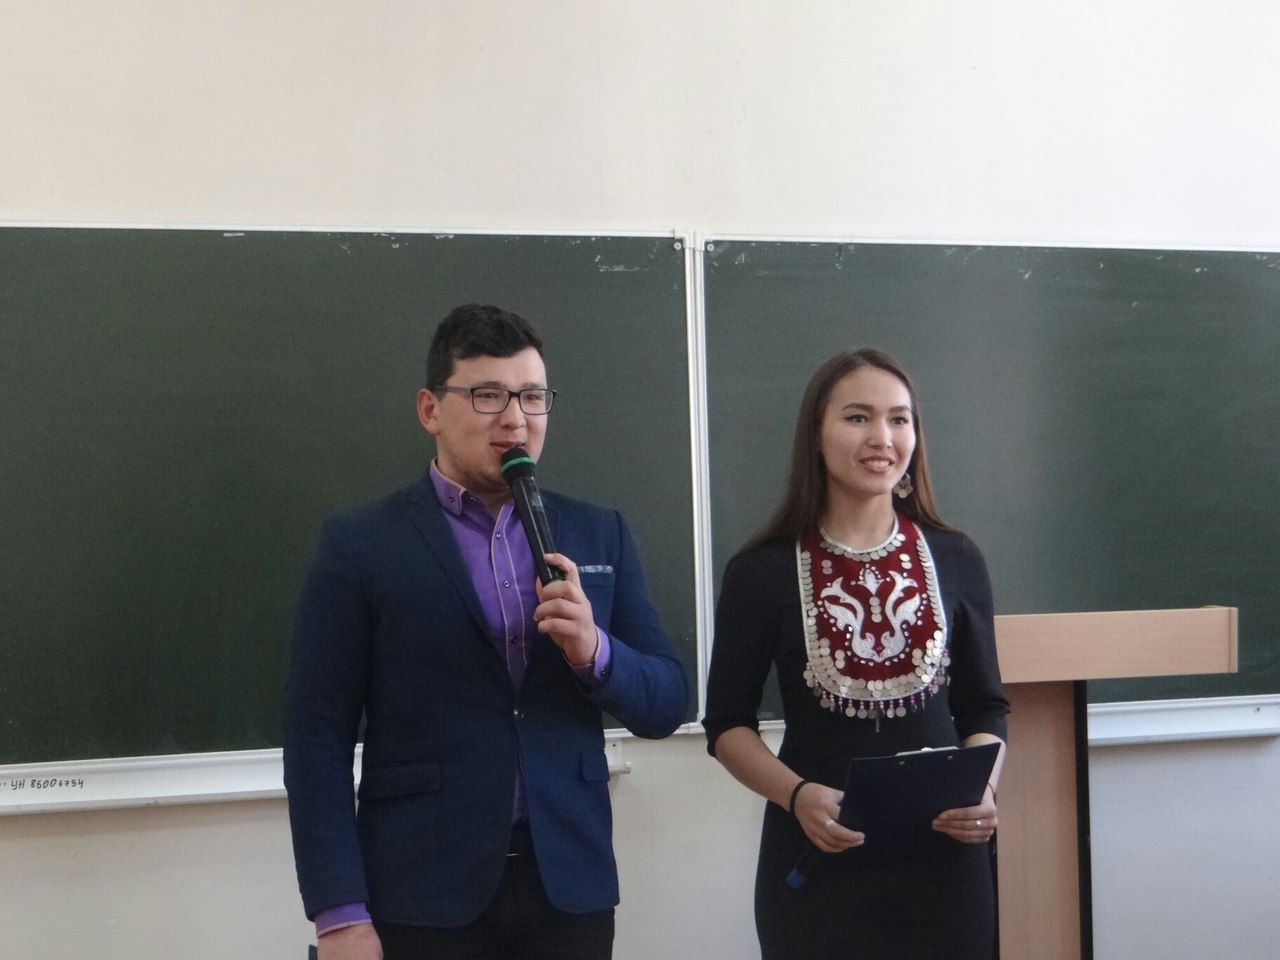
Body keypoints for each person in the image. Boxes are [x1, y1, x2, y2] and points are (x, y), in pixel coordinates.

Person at [284, 303, 689, 960]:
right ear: (430, 410)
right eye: (488, 396)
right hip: (421, 894)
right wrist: (339, 915)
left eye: (532, 397)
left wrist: (595, 652)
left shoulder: (598, 532)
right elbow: (316, 740)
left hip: (569, 889)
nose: (515, 419)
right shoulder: (359, 544)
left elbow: (667, 702)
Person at [702, 348, 1009, 960]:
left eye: (899, 419)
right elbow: (727, 726)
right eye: (858, 417)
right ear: (815, 434)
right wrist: (797, 797)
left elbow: (986, 707)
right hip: (817, 858)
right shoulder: (761, 569)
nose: (882, 438)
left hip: (946, 864)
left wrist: (986, 789)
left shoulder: (957, 557)